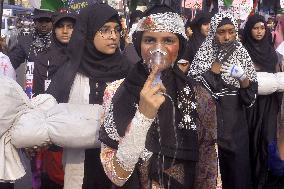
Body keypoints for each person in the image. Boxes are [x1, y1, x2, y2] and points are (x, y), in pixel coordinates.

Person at [99, 4, 198, 188]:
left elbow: (209, 168)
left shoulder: (197, 94)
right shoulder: (115, 91)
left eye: (168, 40)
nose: (158, 49)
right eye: (150, 40)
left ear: (180, 45)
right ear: (138, 44)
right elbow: (116, 176)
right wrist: (143, 117)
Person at [46, 3, 131, 189]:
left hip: (119, 162)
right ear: (88, 31)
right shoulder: (69, 72)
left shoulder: (127, 70)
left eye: (117, 30)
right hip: (80, 162)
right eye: (105, 30)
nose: (113, 36)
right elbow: (50, 113)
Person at [188, 12, 258, 189]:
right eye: (221, 32)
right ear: (213, 32)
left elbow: (249, 101)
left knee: (237, 176)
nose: (227, 37)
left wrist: (243, 79)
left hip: (235, 130)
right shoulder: (203, 55)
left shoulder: (242, 55)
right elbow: (193, 92)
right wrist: (210, 74)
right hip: (209, 132)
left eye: (231, 31)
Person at [32, 11, 77, 189]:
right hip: (51, 135)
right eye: (60, 26)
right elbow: (36, 96)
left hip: (78, 135)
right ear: (54, 29)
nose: (65, 31)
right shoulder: (43, 59)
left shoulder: (86, 59)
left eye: (70, 26)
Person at [243, 14, 283, 189]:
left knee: (267, 138)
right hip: (250, 104)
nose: (259, 32)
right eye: (255, 28)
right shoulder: (243, 51)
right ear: (249, 30)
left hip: (269, 104)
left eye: (262, 28)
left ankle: (264, 180)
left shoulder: (272, 53)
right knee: (251, 139)